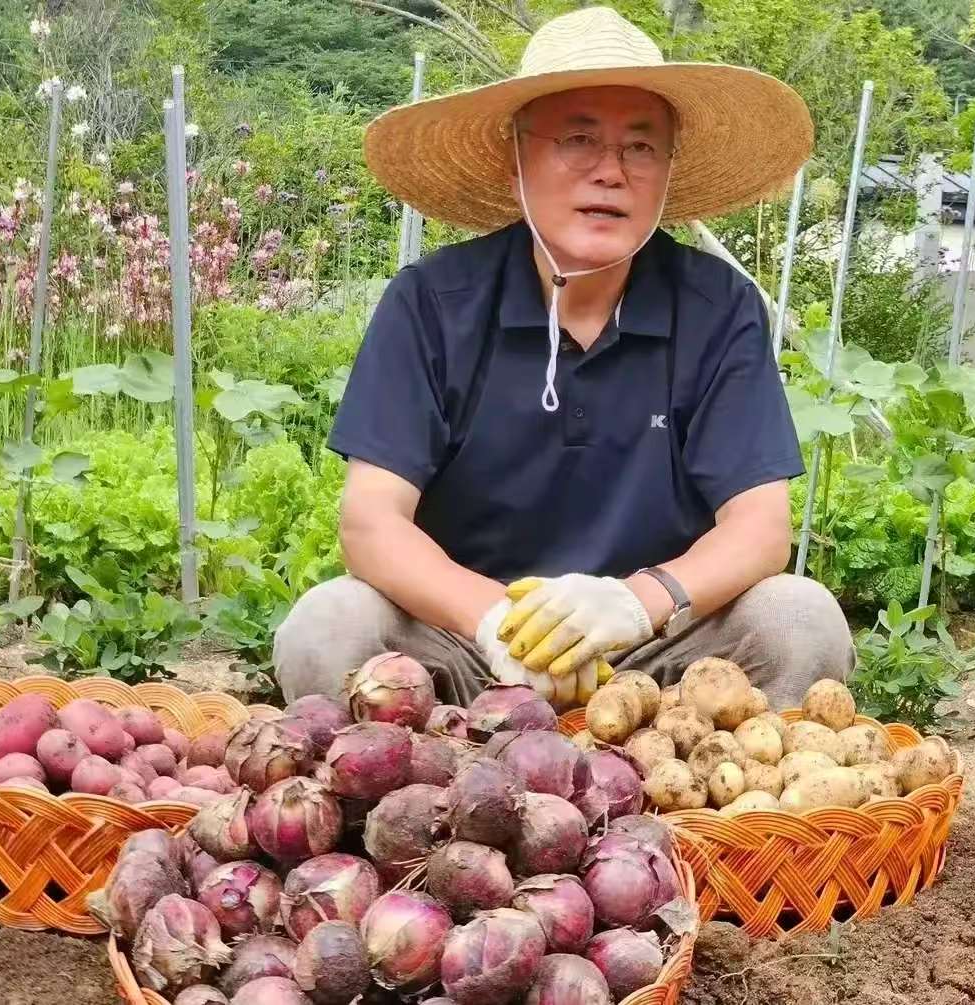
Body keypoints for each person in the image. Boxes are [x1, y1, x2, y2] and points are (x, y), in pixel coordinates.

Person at [274, 6, 855, 711]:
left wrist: (637, 603)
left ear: (668, 169)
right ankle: (428, 801)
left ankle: (717, 812)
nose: (610, 172)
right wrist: (498, 622)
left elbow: (760, 528)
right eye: (579, 139)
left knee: (801, 618)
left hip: (658, 654)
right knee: (326, 626)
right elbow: (371, 521)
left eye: (640, 148)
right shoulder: (431, 303)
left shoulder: (717, 307)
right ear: (516, 157)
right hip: (465, 646)